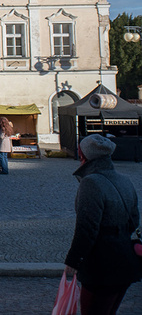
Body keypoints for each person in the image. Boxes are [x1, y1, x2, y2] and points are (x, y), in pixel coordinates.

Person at [64, 134, 142, 314]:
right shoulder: (125, 180)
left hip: (102, 266)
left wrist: (73, 261)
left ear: (83, 155)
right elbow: (134, 220)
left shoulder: (91, 182)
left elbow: (87, 228)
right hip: (125, 261)